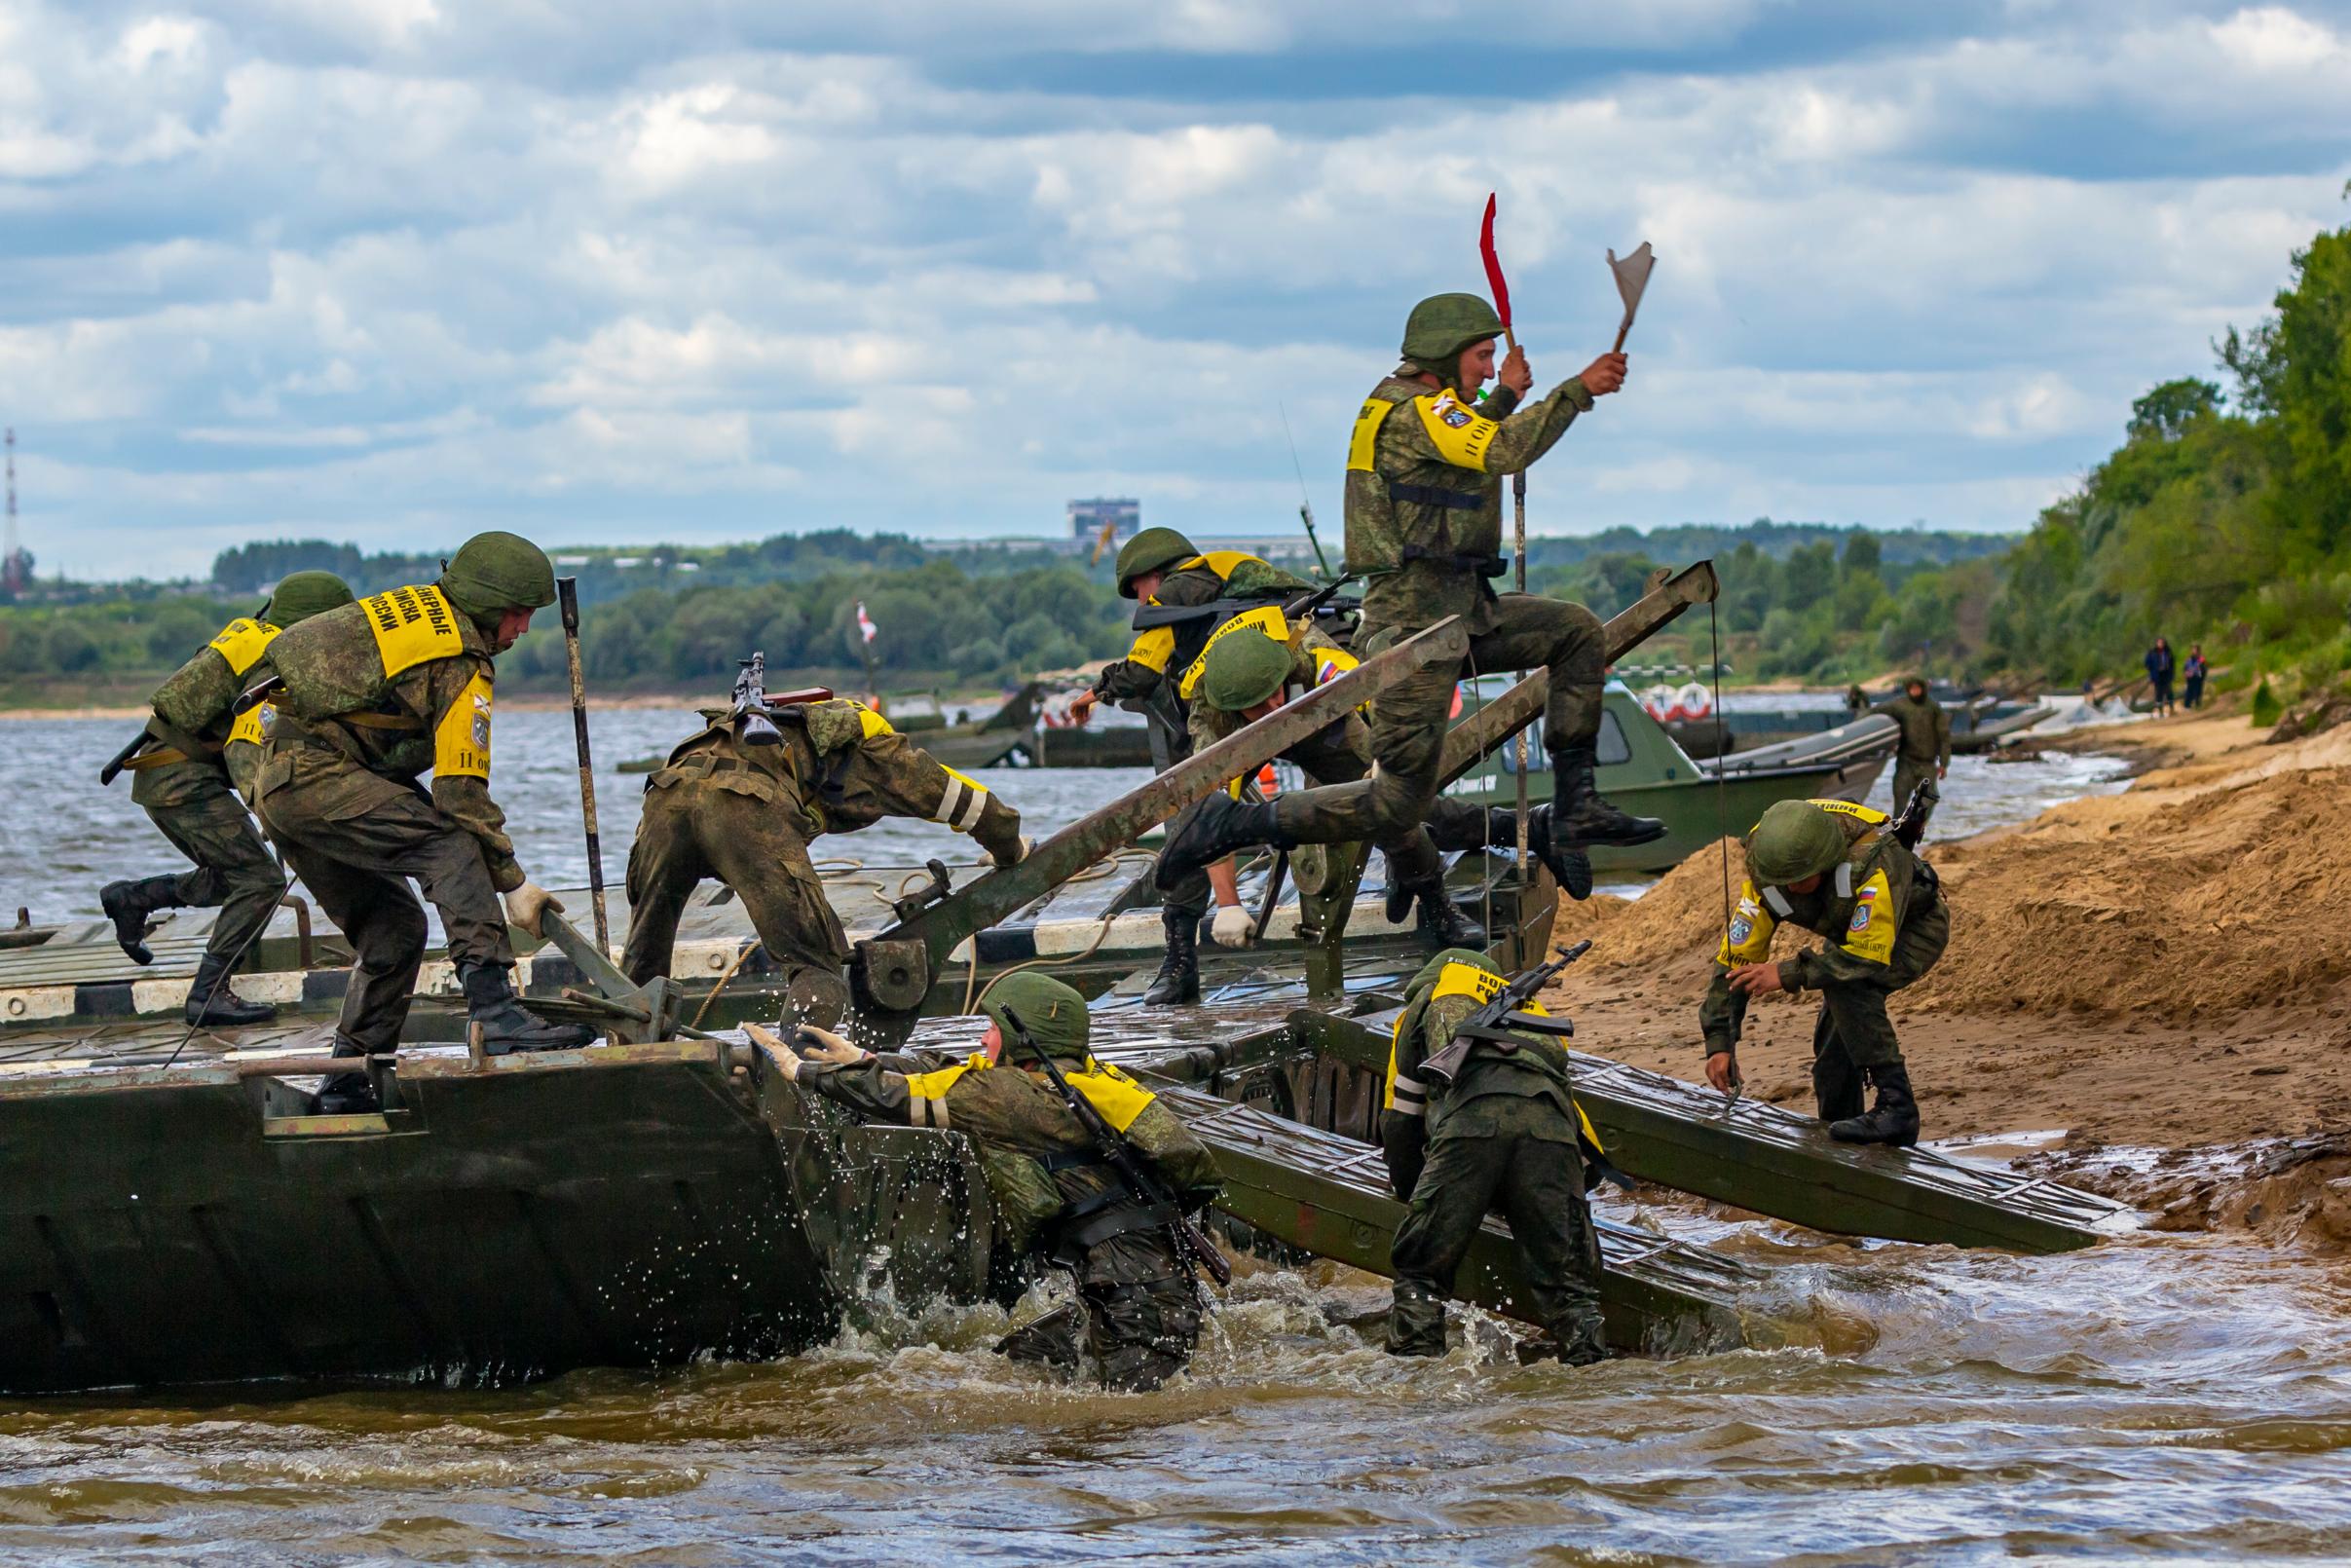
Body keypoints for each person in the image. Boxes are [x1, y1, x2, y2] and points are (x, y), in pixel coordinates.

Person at [1156, 292, 1659, 899]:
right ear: (1443, 357)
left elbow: (1458, 453)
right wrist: (1578, 389)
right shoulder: (1415, 411)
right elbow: (1498, 451)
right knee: (1397, 802)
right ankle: (1238, 821)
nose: (1487, 366)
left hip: (1461, 610)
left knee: (1575, 630)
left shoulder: (1422, 408)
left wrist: (1505, 398)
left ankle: (1578, 803)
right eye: (1480, 355)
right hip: (1415, 624)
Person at [252, 533, 594, 1111]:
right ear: (488, 607)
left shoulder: (414, 613)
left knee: (395, 930)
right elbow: (460, 793)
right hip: (316, 779)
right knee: (451, 845)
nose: (523, 630)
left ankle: (347, 1082)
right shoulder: (461, 662)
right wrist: (513, 882)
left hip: (281, 784)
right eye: (518, 615)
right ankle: (496, 1010)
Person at [762, 972, 1220, 1391]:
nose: (983, 1039)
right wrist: (866, 1057)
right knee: (1018, 1362)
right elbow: (959, 1075)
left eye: (992, 1030)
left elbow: (901, 1097)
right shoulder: (1087, 1080)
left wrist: (803, 1072)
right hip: (1142, 1290)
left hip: (1134, 1306)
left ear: (1023, 1040)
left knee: (1122, 1427)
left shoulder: (1012, 1098)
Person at [1185, 610, 1591, 952]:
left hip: (1318, 711)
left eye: (1274, 692)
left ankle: (1451, 887)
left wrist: (1389, 762)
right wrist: (1227, 904)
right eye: (1259, 704)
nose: (1273, 705)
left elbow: (1369, 693)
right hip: (1245, 736)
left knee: (1394, 801)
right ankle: (1177, 956)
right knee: (1185, 838)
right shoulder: (1212, 721)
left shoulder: (1305, 650)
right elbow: (1211, 811)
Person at [620, 695, 1028, 1026]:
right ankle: (797, 1079)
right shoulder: (875, 747)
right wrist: (1010, 850)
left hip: (665, 798)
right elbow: (963, 800)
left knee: (643, 961)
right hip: (744, 803)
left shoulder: (768, 728)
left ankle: (630, 1060)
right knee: (817, 967)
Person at [99, 571, 356, 1026]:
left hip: (166, 774)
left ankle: (135, 898)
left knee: (236, 877)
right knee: (261, 881)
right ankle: (209, 994)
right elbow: (251, 743)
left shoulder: (250, 636)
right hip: (181, 780)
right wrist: (270, 807)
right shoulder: (276, 659)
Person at [1069, 528, 1313, 1002]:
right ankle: (1429, 899)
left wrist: (1096, 691)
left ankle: (1182, 965)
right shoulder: (1236, 569)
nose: (1141, 601)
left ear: (1154, 576)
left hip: (1218, 711)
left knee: (1192, 817)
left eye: (1138, 590)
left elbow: (1141, 673)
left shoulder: (1170, 601)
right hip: (1295, 698)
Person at [1379, 948, 1608, 1364]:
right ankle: (1590, 1374)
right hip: (1552, 1132)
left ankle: (1415, 1374)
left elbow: (1401, 1120)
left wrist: (1416, 1195)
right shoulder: (1533, 1013)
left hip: (1470, 1129)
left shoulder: (1426, 1001)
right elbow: (1579, 1131)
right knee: (1573, 1292)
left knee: (1420, 1273)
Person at [1699, 798, 1949, 1146]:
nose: (1789, 890)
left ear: (1827, 862)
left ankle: (1898, 1107)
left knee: (1849, 986)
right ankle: (1840, 1126)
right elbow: (1734, 961)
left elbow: (1865, 959)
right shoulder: (1768, 866)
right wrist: (1720, 1043)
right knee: (1833, 1050)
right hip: (1849, 937)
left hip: (1913, 931)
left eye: (1800, 881)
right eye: (1782, 882)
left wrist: (1785, 974)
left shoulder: (1875, 860)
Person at [1871, 676, 1951, 832]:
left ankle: (1917, 826)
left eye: (1918, 688)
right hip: (1906, 761)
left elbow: (1944, 737)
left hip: (1927, 762)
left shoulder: (1933, 708)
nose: (1915, 691)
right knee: (1900, 797)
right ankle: (1896, 832)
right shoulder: (1900, 705)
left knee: (1930, 798)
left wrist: (1944, 763)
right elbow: (1877, 711)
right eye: (1912, 688)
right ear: (1908, 689)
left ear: (1923, 689)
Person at [2145, 637, 2176, 717]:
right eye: (2159, 642)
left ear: (2164, 643)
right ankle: (2161, 712)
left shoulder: (2168, 652)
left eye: (2162, 642)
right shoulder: (2152, 652)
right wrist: (2153, 670)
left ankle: (2172, 709)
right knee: (2159, 694)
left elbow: (2172, 664)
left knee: (2169, 692)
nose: (2160, 644)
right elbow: (2147, 664)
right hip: (2157, 676)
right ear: (2156, 643)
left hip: (2166, 674)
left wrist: (2172, 674)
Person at [2183, 644, 2209, 710]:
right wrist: (2186, 673)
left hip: (2198, 677)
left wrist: (2202, 676)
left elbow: (2204, 668)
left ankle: (2198, 705)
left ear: (2198, 650)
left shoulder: (2201, 658)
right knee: (2189, 691)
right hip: (2190, 678)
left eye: (2195, 649)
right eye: (2192, 649)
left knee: (2198, 691)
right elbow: (2185, 668)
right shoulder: (2189, 659)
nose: (2193, 651)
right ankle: (2187, 705)